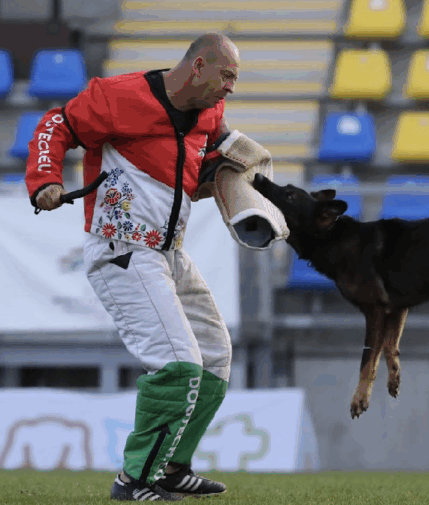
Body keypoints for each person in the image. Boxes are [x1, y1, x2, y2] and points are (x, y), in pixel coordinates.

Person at [26, 33, 241, 501]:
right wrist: (44, 179)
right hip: (121, 250)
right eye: (226, 76)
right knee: (179, 364)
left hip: (170, 254)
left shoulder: (210, 113)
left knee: (216, 357)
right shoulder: (117, 97)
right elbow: (53, 126)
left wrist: (230, 173)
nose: (230, 88)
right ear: (199, 65)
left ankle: (171, 469)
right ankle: (135, 480)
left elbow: (197, 163)